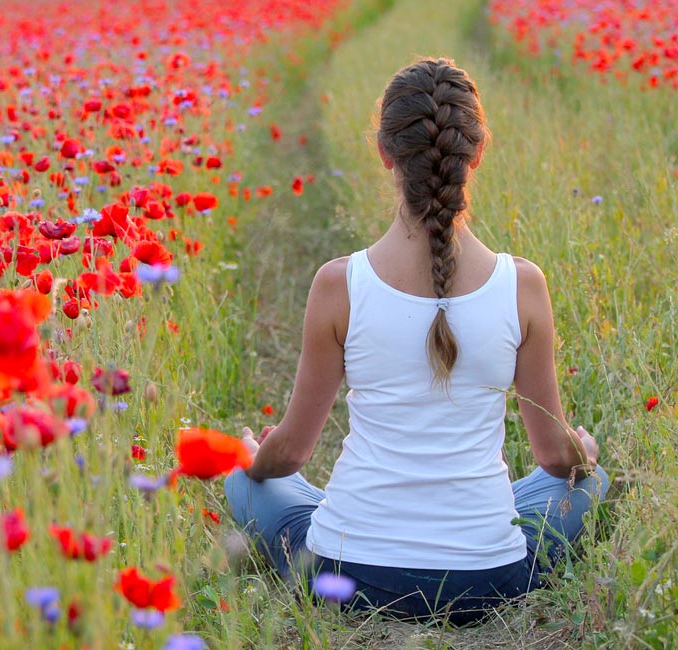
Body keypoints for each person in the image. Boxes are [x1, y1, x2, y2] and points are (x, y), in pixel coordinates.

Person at [224, 57, 609, 625]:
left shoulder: (339, 284)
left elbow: (292, 455)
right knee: (588, 481)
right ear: (476, 154)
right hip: (489, 580)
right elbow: (555, 458)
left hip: (346, 573)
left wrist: (256, 459)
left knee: (244, 476)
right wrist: (584, 454)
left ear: (384, 153)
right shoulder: (522, 285)